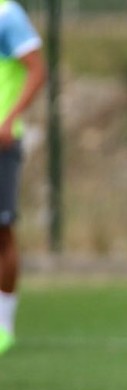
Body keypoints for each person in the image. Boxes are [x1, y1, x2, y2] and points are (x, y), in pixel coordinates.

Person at [0, 0, 45, 355]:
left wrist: (8, 119)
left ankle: (4, 324)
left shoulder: (7, 14)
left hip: (1, 142)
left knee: (2, 232)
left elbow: (36, 69)